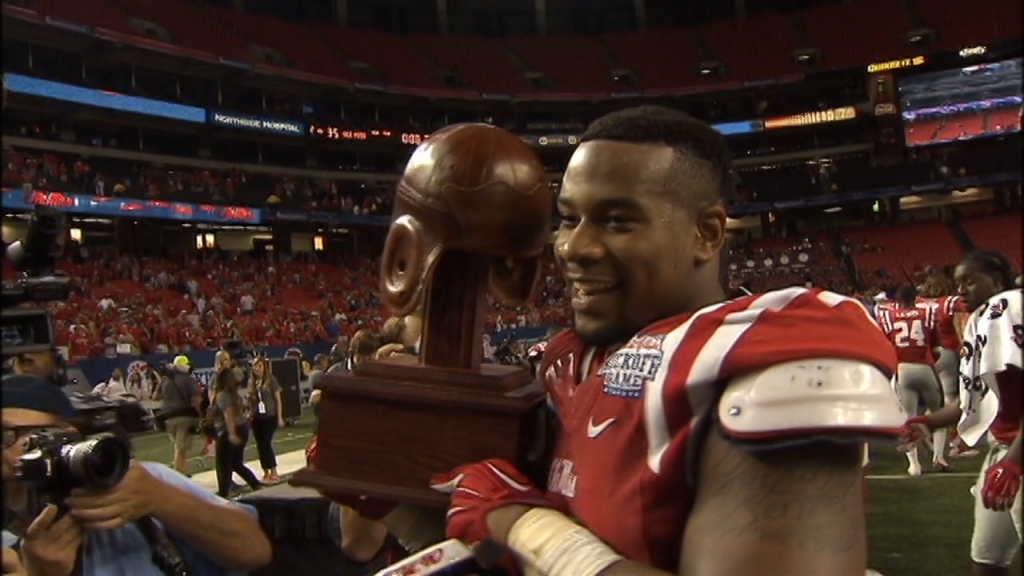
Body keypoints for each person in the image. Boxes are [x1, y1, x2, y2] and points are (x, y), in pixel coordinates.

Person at [428, 106, 906, 576]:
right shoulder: (568, 359)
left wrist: (526, 527)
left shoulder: (768, 369)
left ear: (707, 233)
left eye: (617, 221)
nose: (574, 247)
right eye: (570, 218)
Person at [1, 374, 272, 575]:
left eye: (7, 434)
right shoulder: (7, 545)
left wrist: (160, 500)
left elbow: (254, 550)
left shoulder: (136, 484)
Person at [902, 250, 1022, 576]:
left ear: (996, 280)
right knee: (986, 562)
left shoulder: (1007, 309)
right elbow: (971, 400)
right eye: (958, 283)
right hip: (1003, 453)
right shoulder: (982, 318)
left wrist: (1014, 461)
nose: (961, 290)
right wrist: (928, 421)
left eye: (970, 281)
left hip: (1016, 455)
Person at [877, 285, 946, 475]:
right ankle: (938, 456)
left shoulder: (888, 317)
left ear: (897, 301)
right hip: (925, 367)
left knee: (908, 417)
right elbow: (937, 348)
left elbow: (884, 345)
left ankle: (914, 465)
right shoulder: (927, 314)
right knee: (940, 413)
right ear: (916, 298)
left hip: (902, 369)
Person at [211, 359, 263, 498]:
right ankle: (255, 484)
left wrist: (231, 433)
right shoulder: (235, 394)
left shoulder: (223, 395)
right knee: (236, 463)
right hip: (242, 427)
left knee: (223, 464)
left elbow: (229, 415)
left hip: (229, 430)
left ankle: (223, 493)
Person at [158, 355, 203, 476]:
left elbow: (157, 396)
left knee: (179, 447)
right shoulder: (188, 380)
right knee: (181, 448)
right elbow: (196, 400)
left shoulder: (166, 381)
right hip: (184, 416)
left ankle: (184, 471)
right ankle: (178, 475)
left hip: (168, 418)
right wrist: (201, 415)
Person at [247, 356, 284, 483]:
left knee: (266, 443)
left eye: (259, 366)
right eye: (255, 366)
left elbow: (277, 399)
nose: (257, 369)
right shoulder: (251, 382)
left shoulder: (270, 380)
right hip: (257, 417)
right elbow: (251, 401)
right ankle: (266, 471)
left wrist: (279, 417)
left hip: (270, 416)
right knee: (260, 445)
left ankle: (274, 470)